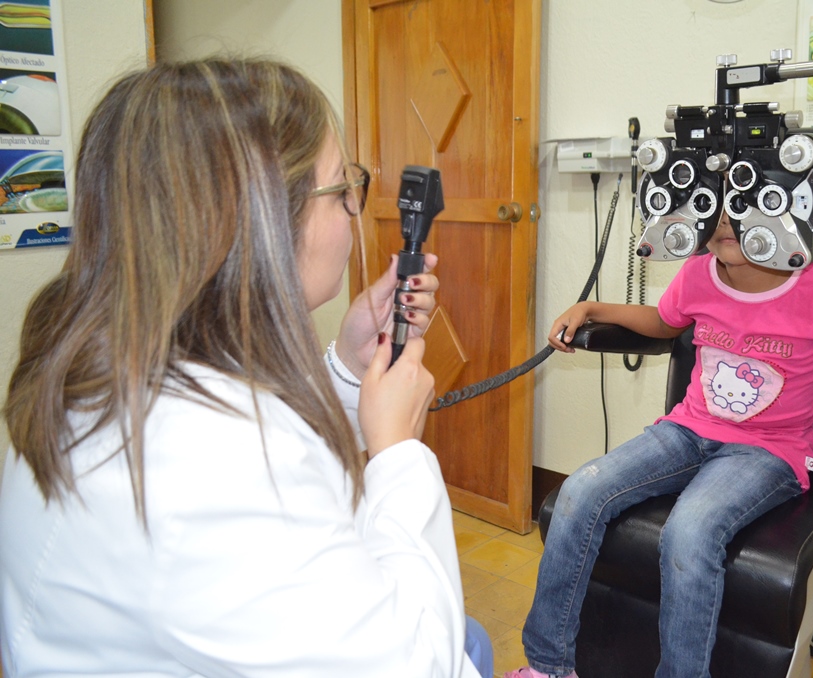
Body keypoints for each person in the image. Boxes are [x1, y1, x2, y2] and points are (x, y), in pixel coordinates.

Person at [0, 58, 490, 678]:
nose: (353, 211)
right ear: (261, 219)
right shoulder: (216, 467)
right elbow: (417, 665)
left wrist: (346, 363)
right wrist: (397, 455)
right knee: (468, 646)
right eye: (342, 188)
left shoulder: (96, 365)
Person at [507, 209, 813, 678]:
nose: (726, 224)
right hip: (686, 431)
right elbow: (665, 321)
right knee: (577, 493)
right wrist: (593, 308)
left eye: (747, 211)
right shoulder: (698, 271)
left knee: (689, 532)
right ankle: (549, 666)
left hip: (768, 451)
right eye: (717, 209)